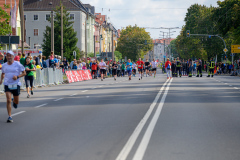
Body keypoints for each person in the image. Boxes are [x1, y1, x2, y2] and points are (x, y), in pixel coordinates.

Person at [0, 51, 26, 123]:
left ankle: (14, 101)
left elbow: (24, 73)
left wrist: (17, 76)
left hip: (16, 84)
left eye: (10, 56)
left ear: (13, 56)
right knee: (8, 100)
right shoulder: (4, 65)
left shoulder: (18, 64)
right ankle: (10, 116)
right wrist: (1, 80)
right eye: (7, 56)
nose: (9, 57)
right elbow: (3, 73)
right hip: (7, 84)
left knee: (16, 101)